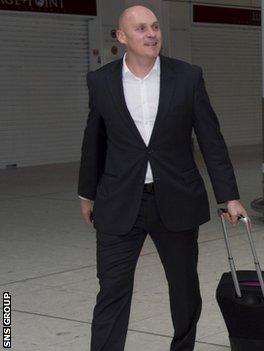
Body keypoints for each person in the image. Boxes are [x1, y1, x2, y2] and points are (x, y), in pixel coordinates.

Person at [78, 6, 247, 350]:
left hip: (176, 199)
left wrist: (228, 195)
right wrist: (86, 193)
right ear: (121, 37)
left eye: (155, 27)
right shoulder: (101, 81)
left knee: (184, 289)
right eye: (141, 29)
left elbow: (211, 139)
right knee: (112, 289)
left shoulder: (187, 77)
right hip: (119, 200)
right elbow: (94, 138)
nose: (151, 34)